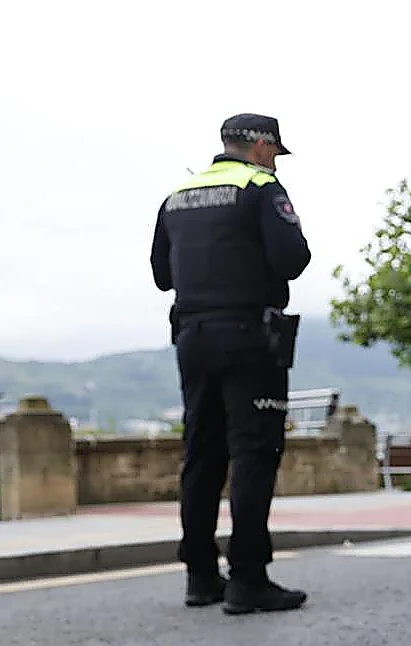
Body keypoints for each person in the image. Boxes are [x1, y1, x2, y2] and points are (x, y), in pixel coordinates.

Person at [149, 113, 312, 615]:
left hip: (192, 336)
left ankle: (200, 574)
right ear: (261, 147)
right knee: (253, 452)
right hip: (249, 335)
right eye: (275, 153)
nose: (275, 162)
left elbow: (161, 275)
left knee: (202, 452)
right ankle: (248, 576)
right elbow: (293, 260)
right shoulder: (259, 188)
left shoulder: (179, 195)